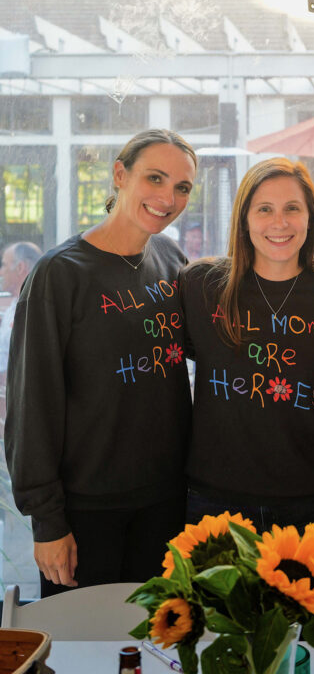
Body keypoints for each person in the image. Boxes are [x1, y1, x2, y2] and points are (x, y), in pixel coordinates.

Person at [6, 129, 197, 595]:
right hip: (86, 511)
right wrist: (47, 521)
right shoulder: (59, 274)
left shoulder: (170, 258)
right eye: (155, 178)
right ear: (120, 174)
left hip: (166, 502)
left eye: (182, 187)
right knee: (82, 639)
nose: (167, 198)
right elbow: (32, 403)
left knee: (159, 635)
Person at [179, 157, 314, 539]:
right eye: (264, 209)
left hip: (313, 503)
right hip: (216, 503)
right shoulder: (201, 287)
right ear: (244, 219)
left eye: (292, 209)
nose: (279, 223)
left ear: (310, 218)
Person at [0, 242, 42, 373]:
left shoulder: (34, 311)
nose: (1, 272)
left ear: (20, 268)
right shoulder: (14, 306)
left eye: (4, 265)